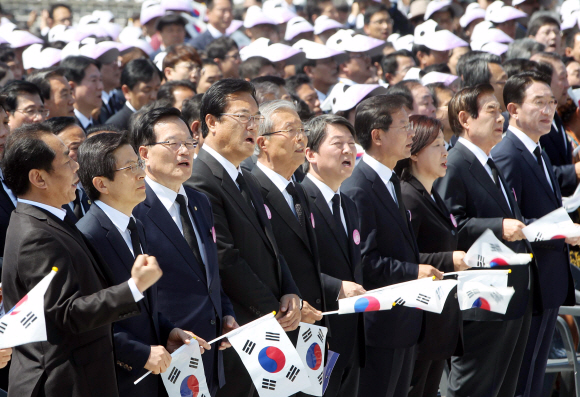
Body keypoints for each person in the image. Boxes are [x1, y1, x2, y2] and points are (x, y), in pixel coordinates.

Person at [1, 122, 162, 397]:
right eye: (66, 160)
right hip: (62, 384)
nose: (76, 167)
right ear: (39, 178)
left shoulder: (52, 217)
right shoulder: (35, 235)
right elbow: (66, 313)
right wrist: (133, 287)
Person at [185, 79, 301, 397]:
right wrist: (274, 308)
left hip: (265, 325)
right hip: (237, 329)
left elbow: (271, 246)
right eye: (243, 117)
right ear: (211, 121)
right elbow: (224, 257)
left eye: (256, 119)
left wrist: (290, 291)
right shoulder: (199, 177)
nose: (252, 127)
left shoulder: (245, 176)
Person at [76, 133, 211, 397]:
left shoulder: (133, 225)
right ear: (101, 183)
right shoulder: (87, 235)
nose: (141, 174)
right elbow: (89, 318)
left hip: (150, 377)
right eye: (129, 168)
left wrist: (168, 331)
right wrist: (140, 353)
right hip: (117, 380)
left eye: (138, 164)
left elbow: (142, 303)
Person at [434, 84, 533, 397]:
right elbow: (450, 226)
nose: (501, 116)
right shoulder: (455, 162)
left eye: (500, 109)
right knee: (472, 386)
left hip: (511, 292)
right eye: (492, 110)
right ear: (465, 118)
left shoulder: (489, 162)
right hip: (481, 297)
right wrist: (499, 226)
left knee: (503, 386)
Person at [130, 106, 237, 395]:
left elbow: (209, 273)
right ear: (144, 153)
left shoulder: (199, 201)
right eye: (172, 143)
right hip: (167, 358)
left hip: (210, 352)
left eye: (189, 142)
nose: (184, 151)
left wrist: (225, 313)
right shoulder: (134, 209)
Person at [341, 94, 443, 397]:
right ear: (377, 135)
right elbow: (366, 262)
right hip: (379, 327)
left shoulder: (390, 180)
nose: (411, 134)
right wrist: (415, 271)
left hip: (403, 323)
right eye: (403, 126)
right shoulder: (358, 187)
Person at [491, 72, 577, 397]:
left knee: (533, 380)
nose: (548, 110)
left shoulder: (538, 151)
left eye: (551, 102)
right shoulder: (507, 153)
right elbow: (509, 220)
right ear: (513, 109)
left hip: (548, 280)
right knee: (521, 380)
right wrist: (563, 231)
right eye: (538, 103)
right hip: (529, 283)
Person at [397, 115, 466, 397]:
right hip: (420, 320)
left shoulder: (432, 194)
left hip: (440, 320)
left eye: (445, 144)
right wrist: (449, 260)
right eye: (437, 145)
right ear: (413, 152)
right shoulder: (407, 196)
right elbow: (407, 257)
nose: (445, 151)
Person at [302, 114, 366, 397]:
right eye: (338, 143)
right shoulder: (299, 199)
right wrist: (335, 287)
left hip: (351, 335)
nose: (348, 150)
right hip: (317, 333)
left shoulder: (348, 204)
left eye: (351, 144)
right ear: (310, 153)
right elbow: (294, 266)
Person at [252, 100, 326, 328]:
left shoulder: (298, 189)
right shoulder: (251, 189)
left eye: (303, 130)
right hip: (280, 321)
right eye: (291, 131)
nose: (301, 138)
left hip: (313, 321)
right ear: (263, 142)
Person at [531, 52, 580, 196]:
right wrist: (574, 171)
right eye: (562, 78)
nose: (567, 85)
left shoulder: (555, 114)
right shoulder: (534, 123)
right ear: (544, 82)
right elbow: (535, 172)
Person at [106, 59, 162, 131]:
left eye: (157, 89)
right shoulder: (114, 127)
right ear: (126, 91)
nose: (154, 96)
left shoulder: (162, 121)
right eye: (147, 90)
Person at [60, 56, 103, 133]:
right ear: (72, 87)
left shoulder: (100, 124)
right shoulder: (66, 130)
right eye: (94, 80)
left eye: (100, 80)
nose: (100, 87)